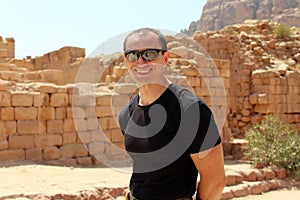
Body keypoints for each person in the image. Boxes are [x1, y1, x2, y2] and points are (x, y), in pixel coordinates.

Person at [118, 28, 226, 200]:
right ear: (125, 60)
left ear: (165, 58)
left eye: (150, 54)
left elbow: (215, 181)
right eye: (133, 55)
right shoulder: (127, 113)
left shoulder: (190, 110)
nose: (140, 62)